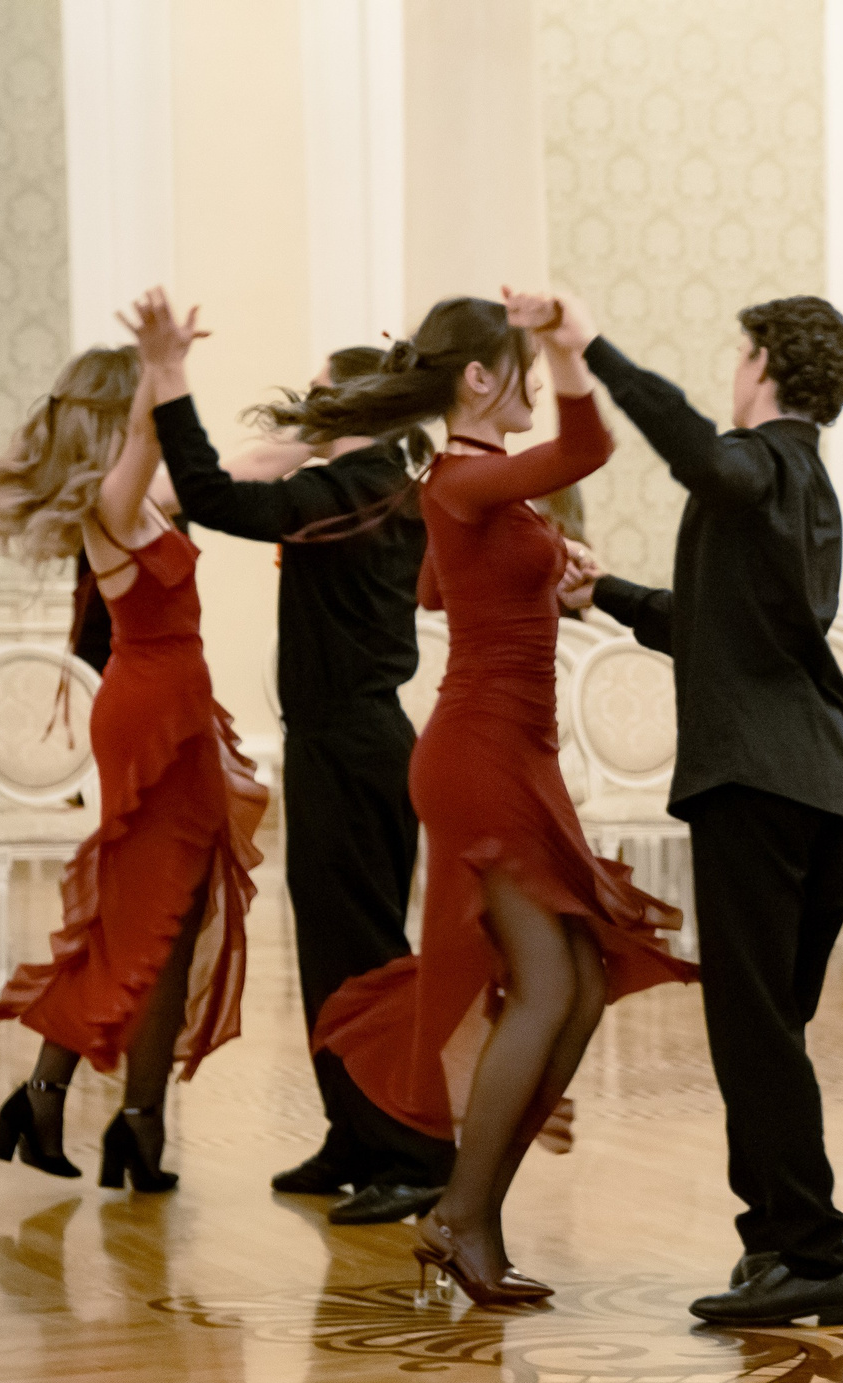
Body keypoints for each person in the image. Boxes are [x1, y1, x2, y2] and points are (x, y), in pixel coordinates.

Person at [304, 290, 696, 1306]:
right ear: (481, 379)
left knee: (580, 980)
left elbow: (438, 588)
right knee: (555, 983)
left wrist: (542, 581)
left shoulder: (473, 492)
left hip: (512, 748)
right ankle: (460, 1216)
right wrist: (573, 350)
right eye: (519, 365)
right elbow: (587, 446)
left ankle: (467, 1213)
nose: (531, 381)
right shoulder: (466, 478)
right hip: (482, 752)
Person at [576, 297, 843, 1329]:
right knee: (765, 1034)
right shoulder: (797, 483)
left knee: (753, 1035)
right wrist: (602, 592)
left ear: (761, 365)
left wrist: (592, 350)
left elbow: (707, 458)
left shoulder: (764, 460)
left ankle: (812, 1251)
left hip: (760, 784)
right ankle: (775, 1243)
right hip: (815, 787)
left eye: (737, 352)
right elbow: (709, 626)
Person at [0, 293, 270, 1190]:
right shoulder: (113, 503)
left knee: (161, 917)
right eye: (143, 408)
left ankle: (87, 1108)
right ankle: (123, 1119)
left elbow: (238, 464)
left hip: (177, 705)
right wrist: (161, 371)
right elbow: (141, 453)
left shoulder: (147, 503)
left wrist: (316, 433)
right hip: (149, 710)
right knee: (150, 917)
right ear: (121, 415)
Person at [150, 339, 457, 1226]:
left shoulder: (350, 493)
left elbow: (208, 497)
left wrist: (171, 387)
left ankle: (413, 1153)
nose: (307, 407)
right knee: (330, 952)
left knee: (365, 956)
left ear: (357, 410)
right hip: (341, 742)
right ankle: (356, 1134)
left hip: (355, 743)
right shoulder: (379, 486)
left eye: (324, 397)